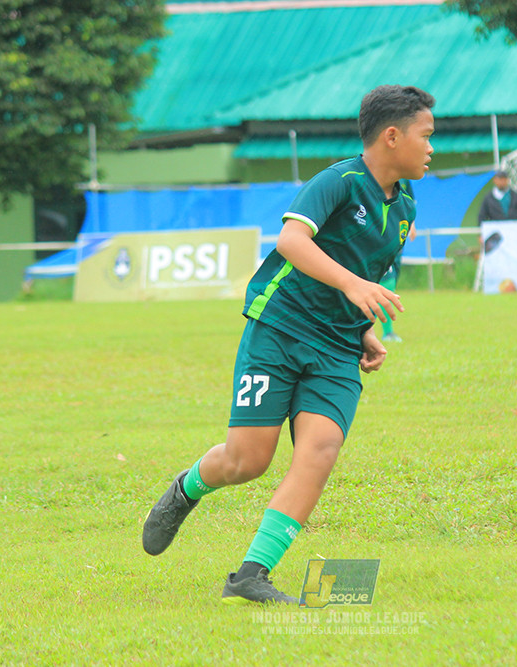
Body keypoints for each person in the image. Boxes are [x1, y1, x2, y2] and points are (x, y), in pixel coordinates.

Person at [141, 85, 436, 604]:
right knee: (246, 461)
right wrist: (353, 287)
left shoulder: (406, 206)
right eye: (426, 136)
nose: (433, 148)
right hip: (279, 329)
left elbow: (363, 273)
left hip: (338, 347)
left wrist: (364, 326)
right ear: (393, 137)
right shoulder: (339, 182)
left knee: (320, 448)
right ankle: (185, 489)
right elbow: (292, 241)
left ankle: (252, 573)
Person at [378, 222, 416, 343]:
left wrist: (412, 224)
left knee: (392, 280)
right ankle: (387, 332)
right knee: (387, 281)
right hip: (382, 239)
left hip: (397, 239)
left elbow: (409, 203)